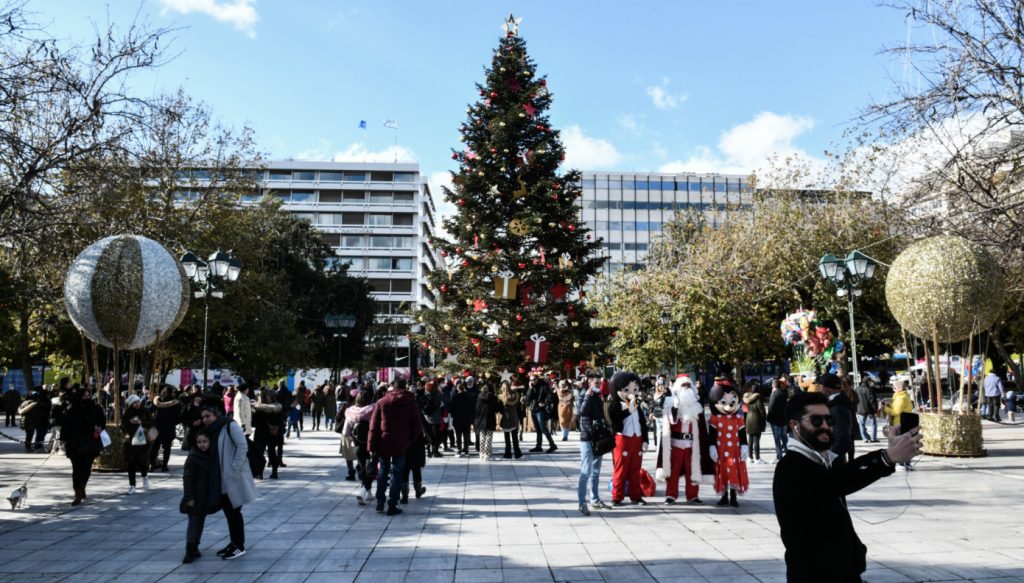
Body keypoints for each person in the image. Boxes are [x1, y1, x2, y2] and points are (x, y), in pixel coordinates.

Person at [773, 391, 922, 583]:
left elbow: (840, 477)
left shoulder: (822, 461)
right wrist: (886, 457)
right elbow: (837, 481)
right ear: (795, 425)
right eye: (816, 421)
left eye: (829, 420)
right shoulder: (791, 467)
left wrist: (889, 455)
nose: (825, 426)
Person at [199, 405, 258, 560]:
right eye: (203, 417)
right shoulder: (213, 430)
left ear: (216, 415)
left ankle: (239, 545)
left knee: (234, 513)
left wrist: (234, 469)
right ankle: (234, 543)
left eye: (208, 416)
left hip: (231, 478)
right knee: (229, 513)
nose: (205, 420)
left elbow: (242, 446)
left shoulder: (229, 425)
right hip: (221, 479)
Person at [368, 378, 423, 516]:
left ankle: (380, 502)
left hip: (383, 441)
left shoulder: (382, 402)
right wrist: (408, 440)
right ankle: (392, 504)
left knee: (383, 471)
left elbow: (373, 426)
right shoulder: (410, 402)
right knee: (397, 473)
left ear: (392, 387)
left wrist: (371, 445)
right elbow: (417, 426)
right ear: (405, 388)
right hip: (401, 442)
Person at [655, 375, 713, 505]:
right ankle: (671, 495)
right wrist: (675, 408)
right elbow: (670, 421)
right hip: (675, 444)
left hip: (692, 444)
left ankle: (693, 495)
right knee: (673, 471)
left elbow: (702, 427)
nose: (686, 388)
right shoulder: (671, 403)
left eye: (688, 385)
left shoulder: (696, 405)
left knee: (693, 471)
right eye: (683, 385)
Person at [608, 371, 648, 506]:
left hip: (637, 439)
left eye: (635, 389)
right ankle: (616, 496)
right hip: (622, 439)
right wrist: (628, 410)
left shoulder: (637, 405)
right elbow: (615, 421)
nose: (632, 392)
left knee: (635, 470)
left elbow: (642, 423)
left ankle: (635, 496)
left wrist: (645, 440)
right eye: (627, 389)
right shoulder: (614, 404)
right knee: (620, 469)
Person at [61, 386, 105, 505]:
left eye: (87, 396)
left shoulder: (95, 409)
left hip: (90, 443)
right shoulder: (72, 410)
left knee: (86, 468)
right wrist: (63, 439)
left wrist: (99, 427)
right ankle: (78, 492)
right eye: (83, 396)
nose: (86, 398)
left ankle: (82, 486)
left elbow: (102, 422)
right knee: (76, 468)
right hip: (75, 443)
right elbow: (65, 426)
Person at [180, 432, 220, 564]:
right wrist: (189, 497)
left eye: (205, 442)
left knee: (200, 521)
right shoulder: (193, 457)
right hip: (194, 496)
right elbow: (187, 478)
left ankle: (195, 546)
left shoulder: (211, 456)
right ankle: (189, 549)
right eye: (199, 442)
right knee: (193, 522)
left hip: (205, 496)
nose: (202, 445)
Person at [576, 374, 610, 515]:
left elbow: (601, 416)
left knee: (596, 471)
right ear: (589, 383)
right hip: (587, 438)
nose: (598, 385)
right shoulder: (583, 395)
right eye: (596, 383)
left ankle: (594, 500)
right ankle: (581, 503)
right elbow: (581, 412)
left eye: (599, 383)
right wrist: (589, 396)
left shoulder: (598, 397)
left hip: (598, 438)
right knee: (585, 472)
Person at [344, 390, 376, 505]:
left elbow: (346, 432)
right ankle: (363, 490)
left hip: (358, 443)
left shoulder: (350, 412)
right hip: (372, 443)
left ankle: (368, 492)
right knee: (372, 467)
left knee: (362, 467)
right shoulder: (373, 409)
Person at [816, 374, 853, 466]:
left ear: (826, 388)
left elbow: (842, 440)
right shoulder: (838, 402)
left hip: (834, 464)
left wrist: (829, 458)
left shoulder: (837, 408)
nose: (818, 388)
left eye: (820, 386)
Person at [121, 394, 154, 494]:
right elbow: (122, 427)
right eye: (134, 402)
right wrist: (130, 421)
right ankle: (132, 485)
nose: (137, 404)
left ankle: (144, 476)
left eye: (138, 402)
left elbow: (152, 423)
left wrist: (141, 422)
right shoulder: (127, 413)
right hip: (130, 441)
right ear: (131, 404)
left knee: (141, 461)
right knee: (131, 463)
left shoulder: (145, 411)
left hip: (143, 441)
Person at [882, 381, 915, 471]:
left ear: (899, 389)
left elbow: (896, 412)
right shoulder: (901, 397)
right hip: (903, 424)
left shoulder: (901, 398)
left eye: (894, 388)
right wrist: (889, 405)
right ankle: (906, 463)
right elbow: (896, 407)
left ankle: (902, 464)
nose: (893, 389)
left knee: (900, 445)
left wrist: (884, 409)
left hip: (900, 424)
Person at [252, 389, 283, 479]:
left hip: (260, 432)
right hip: (272, 433)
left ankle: (259, 473)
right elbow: (280, 421)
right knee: (272, 452)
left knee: (259, 453)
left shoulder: (258, 407)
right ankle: (274, 472)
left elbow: (254, 422)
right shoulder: (277, 407)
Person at [151, 386, 181, 472]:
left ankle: (151, 465)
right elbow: (178, 418)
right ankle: (164, 466)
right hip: (169, 428)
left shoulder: (157, 401)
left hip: (157, 427)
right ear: (172, 393)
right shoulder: (176, 403)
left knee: (155, 447)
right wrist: (173, 422)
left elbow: (150, 410)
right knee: (167, 448)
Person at [526, 377, 557, 453]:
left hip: (540, 410)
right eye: (531, 380)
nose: (533, 381)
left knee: (543, 429)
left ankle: (552, 445)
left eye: (534, 379)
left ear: (537, 379)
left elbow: (551, 396)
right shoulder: (532, 387)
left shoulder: (543, 386)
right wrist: (530, 388)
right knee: (538, 430)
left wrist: (545, 403)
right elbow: (528, 398)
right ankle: (538, 446)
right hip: (533, 409)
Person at [475, 382, 502, 461]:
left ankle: (481, 454)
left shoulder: (479, 396)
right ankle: (487, 454)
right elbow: (496, 409)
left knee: (482, 437)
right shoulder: (493, 397)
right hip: (490, 419)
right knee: (489, 437)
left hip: (480, 419)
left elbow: (477, 408)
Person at [742, 381, 767, 464]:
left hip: (749, 420)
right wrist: (764, 419)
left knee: (750, 440)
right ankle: (757, 458)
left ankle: (750, 457)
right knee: (756, 441)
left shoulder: (747, 398)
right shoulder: (758, 398)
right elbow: (762, 411)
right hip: (757, 420)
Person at [766, 379, 789, 462]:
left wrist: (768, 418)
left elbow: (771, 408)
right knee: (784, 438)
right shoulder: (784, 393)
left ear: (773, 385)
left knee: (777, 439)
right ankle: (788, 454)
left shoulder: (774, 394)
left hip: (775, 420)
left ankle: (779, 457)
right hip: (784, 419)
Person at [450, 380, 475, 457]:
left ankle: (459, 450)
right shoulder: (468, 396)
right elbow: (471, 408)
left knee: (458, 436)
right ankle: (466, 450)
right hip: (466, 419)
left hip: (457, 419)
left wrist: (453, 416)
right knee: (466, 435)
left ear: (457, 388)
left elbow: (452, 409)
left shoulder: (454, 396)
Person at [498, 381, 522, 459]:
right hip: (514, 417)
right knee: (515, 437)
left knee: (507, 438)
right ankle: (517, 453)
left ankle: (508, 453)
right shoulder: (515, 395)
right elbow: (518, 406)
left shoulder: (501, 397)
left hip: (506, 418)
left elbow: (500, 409)